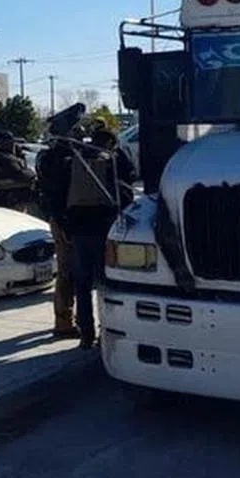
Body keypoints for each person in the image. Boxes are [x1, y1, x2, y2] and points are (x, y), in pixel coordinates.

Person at [65, 127, 137, 349]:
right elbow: (129, 183)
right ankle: (108, 331)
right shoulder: (112, 161)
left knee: (82, 286)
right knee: (107, 285)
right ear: (110, 143)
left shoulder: (75, 160)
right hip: (105, 228)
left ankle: (86, 333)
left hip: (79, 230)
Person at [36, 131, 79, 339]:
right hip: (67, 221)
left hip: (61, 219)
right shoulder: (63, 162)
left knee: (68, 272)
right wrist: (63, 221)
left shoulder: (49, 159)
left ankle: (66, 320)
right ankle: (64, 322)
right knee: (68, 272)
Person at [0, 130, 36, 212]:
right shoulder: (5, 158)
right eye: (11, 143)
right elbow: (24, 176)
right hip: (10, 203)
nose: (13, 145)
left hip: (6, 202)